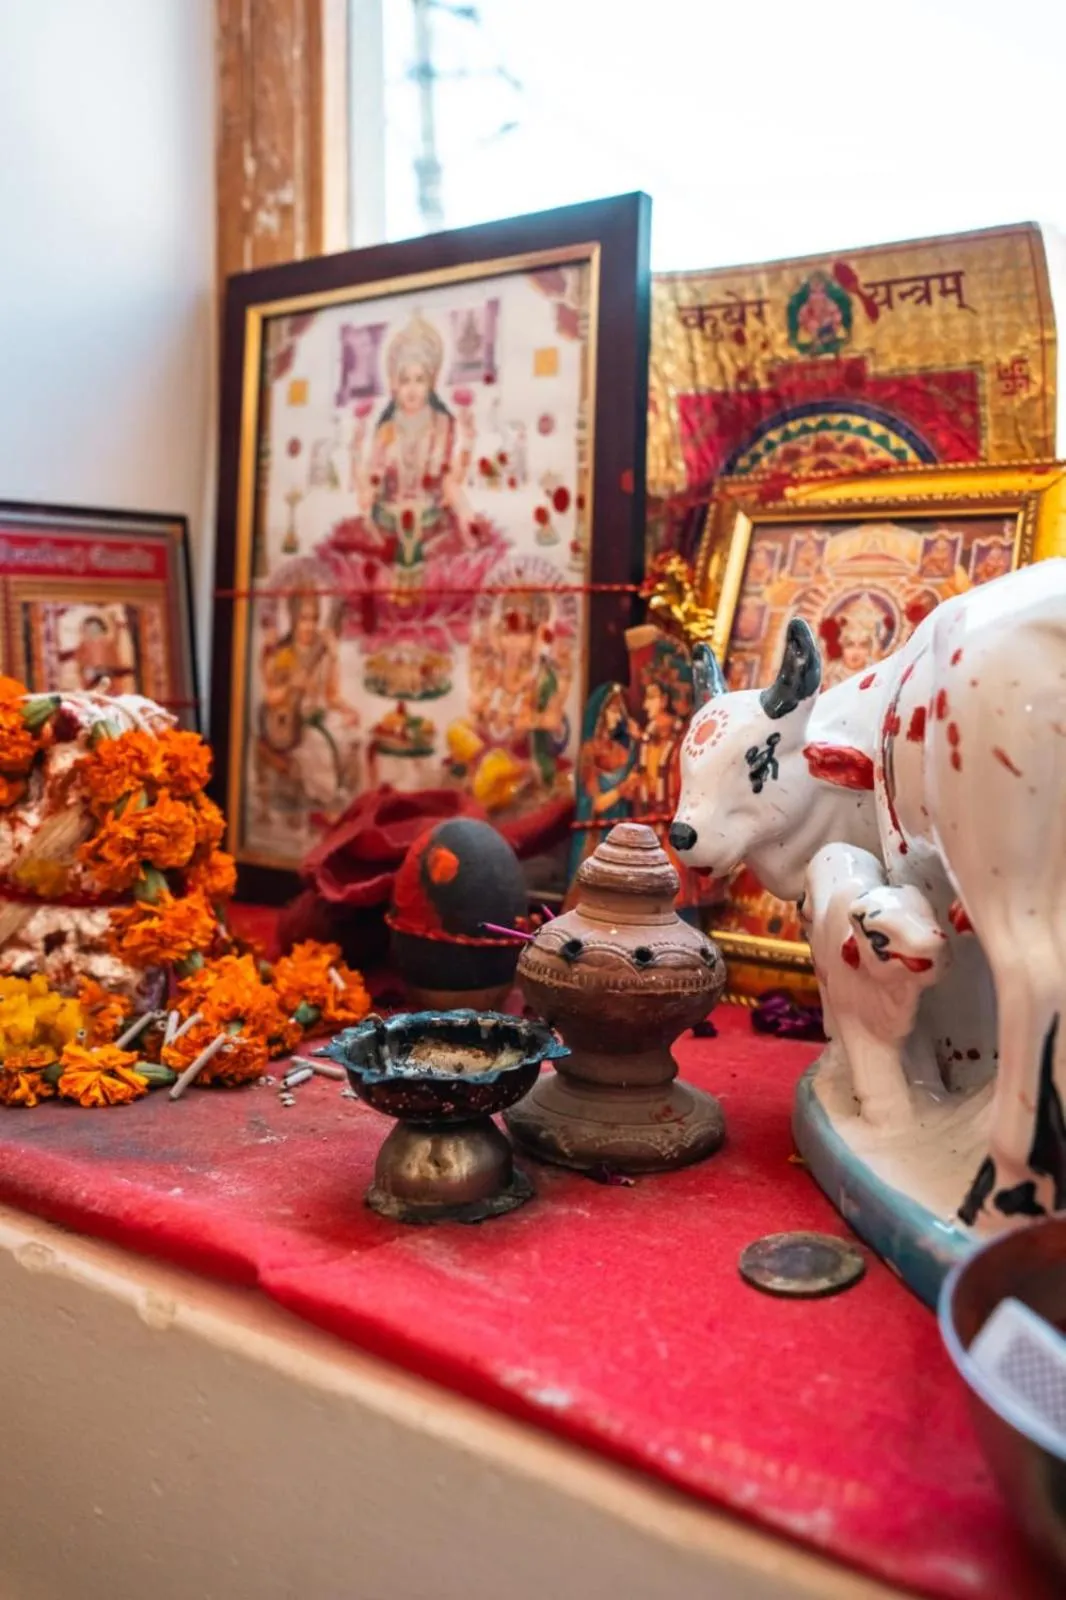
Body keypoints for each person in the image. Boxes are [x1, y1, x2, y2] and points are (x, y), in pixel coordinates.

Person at [348, 313, 476, 586]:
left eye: (420, 379)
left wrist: (469, 440)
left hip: (431, 515)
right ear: (394, 385)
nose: (412, 389)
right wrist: (356, 451)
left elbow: (451, 478)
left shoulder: (442, 423)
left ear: (431, 382)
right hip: (389, 516)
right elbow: (372, 478)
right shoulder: (387, 427)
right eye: (405, 380)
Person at [255, 592, 358, 822]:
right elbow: (270, 697)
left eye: (314, 619)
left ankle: (340, 800)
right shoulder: (283, 654)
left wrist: (332, 658)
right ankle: (327, 805)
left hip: (316, 717)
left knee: (352, 736)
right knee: (319, 744)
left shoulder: (321, 653)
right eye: (303, 619)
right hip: (287, 724)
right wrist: (292, 683)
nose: (309, 626)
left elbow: (331, 696)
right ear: (293, 620)